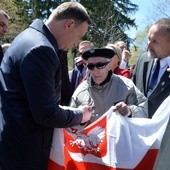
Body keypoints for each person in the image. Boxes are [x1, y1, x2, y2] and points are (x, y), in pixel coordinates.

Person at [0, 2, 93, 170]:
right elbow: (46, 113)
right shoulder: (41, 49)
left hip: (13, 143)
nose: (75, 43)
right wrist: (80, 115)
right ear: (69, 24)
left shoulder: (27, 37)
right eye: (78, 36)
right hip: (24, 153)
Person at [69, 48, 148, 125]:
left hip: (122, 136)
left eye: (100, 65)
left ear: (110, 66)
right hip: (93, 137)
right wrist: (80, 118)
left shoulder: (127, 86)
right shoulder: (80, 91)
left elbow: (144, 112)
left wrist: (130, 111)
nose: (96, 71)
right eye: (91, 66)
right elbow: (70, 122)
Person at [132, 18, 170, 118]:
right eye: (149, 39)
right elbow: (132, 91)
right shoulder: (142, 59)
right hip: (137, 126)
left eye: (155, 42)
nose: (148, 45)